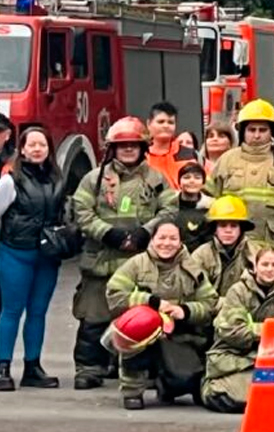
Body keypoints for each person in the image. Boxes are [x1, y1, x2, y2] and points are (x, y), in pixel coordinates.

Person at [72, 117, 178, 391]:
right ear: (112, 149)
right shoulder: (94, 180)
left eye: (133, 145)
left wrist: (146, 231)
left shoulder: (156, 179)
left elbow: (169, 210)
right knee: (93, 318)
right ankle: (89, 368)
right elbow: (81, 211)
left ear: (143, 148)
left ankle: (140, 371)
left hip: (139, 263)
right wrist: (106, 232)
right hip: (101, 259)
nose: (128, 150)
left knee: (140, 319)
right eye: (122, 146)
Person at [105, 220, 219, 410]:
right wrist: (150, 302)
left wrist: (185, 311)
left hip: (178, 331)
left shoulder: (193, 268)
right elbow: (114, 294)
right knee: (136, 327)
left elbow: (210, 303)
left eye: (173, 238)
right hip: (141, 329)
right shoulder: (136, 264)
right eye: (162, 237)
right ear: (152, 239)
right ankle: (132, 390)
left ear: (181, 241)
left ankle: (169, 386)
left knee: (185, 376)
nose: (167, 243)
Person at [205, 99, 274, 266]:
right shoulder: (227, 160)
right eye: (251, 129)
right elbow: (209, 201)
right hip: (232, 251)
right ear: (242, 132)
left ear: (272, 132)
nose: (257, 135)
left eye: (263, 130)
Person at [0, 127, 65, 391]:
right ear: (22, 149)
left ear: (49, 149)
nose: (37, 149)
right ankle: (3, 366)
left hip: (47, 254)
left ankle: (33, 366)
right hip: (16, 251)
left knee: (38, 312)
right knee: (11, 311)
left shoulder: (57, 178)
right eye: (32, 144)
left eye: (43, 144)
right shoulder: (10, 180)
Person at [201, 247, 274, 413]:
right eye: (265, 264)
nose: (270, 269)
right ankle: (208, 388)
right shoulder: (238, 292)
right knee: (241, 400)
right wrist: (272, 332)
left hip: (265, 357)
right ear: (255, 267)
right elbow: (233, 331)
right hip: (234, 354)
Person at [189, 195, 258, 297]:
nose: (228, 231)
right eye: (223, 225)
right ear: (215, 229)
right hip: (210, 310)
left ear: (241, 229)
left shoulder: (256, 253)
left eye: (233, 225)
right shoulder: (201, 256)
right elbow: (195, 294)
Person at [145, 102, 199, 189]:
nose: (166, 126)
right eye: (161, 122)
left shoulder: (191, 155)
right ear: (149, 124)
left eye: (170, 122)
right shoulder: (141, 156)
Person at [173, 162, 212, 252]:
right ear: (179, 182)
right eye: (186, 177)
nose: (192, 181)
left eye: (197, 178)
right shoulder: (169, 204)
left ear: (203, 183)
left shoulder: (211, 206)